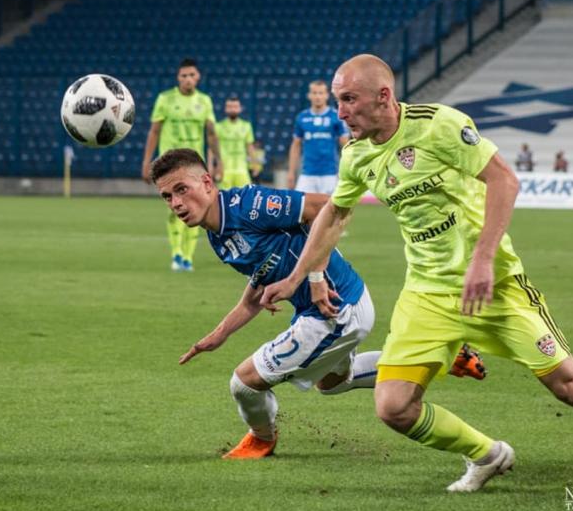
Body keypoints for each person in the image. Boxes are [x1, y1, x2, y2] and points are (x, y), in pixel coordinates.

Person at [261, 54, 573, 495]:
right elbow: (334, 214)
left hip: (495, 285)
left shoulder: (438, 124)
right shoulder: (356, 154)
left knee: (571, 388)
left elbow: (504, 181)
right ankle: (487, 455)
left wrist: (482, 259)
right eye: (336, 101)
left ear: (383, 96)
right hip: (427, 294)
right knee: (394, 407)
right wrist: (295, 278)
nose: (340, 111)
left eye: (348, 99)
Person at [152, 148, 486, 459]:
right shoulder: (217, 235)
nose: (175, 203)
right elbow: (258, 285)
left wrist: (314, 279)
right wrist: (219, 334)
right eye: (167, 196)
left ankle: (262, 438)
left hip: (333, 309)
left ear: (207, 182)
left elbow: (327, 208)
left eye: (181, 189)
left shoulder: (248, 205)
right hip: (336, 307)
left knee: (244, 383)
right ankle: (438, 356)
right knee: (333, 382)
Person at [142, 58, 220, 272]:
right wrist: (146, 161)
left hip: (194, 166)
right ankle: (176, 253)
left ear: (198, 77)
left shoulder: (204, 101)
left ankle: (188, 257)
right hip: (170, 166)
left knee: (198, 208)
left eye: (191, 75)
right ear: (178, 78)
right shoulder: (165, 99)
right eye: (184, 75)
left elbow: (212, 134)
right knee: (173, 208)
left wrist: (218, 162)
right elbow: (154, 131)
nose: (188, 79)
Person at [288, 80, 350, 194]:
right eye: (314, 93)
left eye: (321, 93)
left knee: (334, 210)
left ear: (326, 95)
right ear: (309, 95)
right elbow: (295, 146)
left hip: (330, 174)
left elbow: (346, 146)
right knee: (301, 209)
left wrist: (347, 171)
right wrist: (291, 172)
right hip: (307, 174)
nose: (317, 96)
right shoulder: (302, 117)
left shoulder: (336, 116)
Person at [211, 95, 256, 190]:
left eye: (235, 107)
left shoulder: (246, 126)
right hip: (224, 170)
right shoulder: (218, 127)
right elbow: (212, 149)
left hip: (242, 170)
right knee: (224, 201)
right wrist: (211, 166)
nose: (232, 109)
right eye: (230, 107)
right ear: (225, 109)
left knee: (245, 199)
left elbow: (250, 147)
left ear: (240, 109)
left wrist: (254, 165)